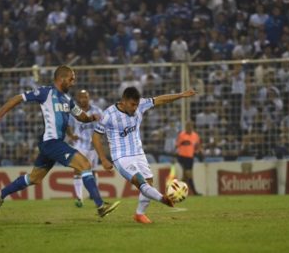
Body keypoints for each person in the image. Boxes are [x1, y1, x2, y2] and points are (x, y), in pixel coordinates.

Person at [0, 65, 120, 217]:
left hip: (50, 145)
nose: (73, 82)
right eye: (71, 79)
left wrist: (91, 118)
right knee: (84, 164)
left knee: (34, 178)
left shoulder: (68, 100)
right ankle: (100, 205)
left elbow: (80, 116)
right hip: (51, 142)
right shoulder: (46, 92)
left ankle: (0, 194)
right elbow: (19, 98)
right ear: (61, 78)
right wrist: (0, 113)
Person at [92, 86, 196, 224]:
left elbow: (161, 100)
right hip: (121, 157)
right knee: (140, 182)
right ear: (123, 101)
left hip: (138, 153)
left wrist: (181, 95)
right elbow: (95, 137)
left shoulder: (141, 104)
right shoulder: (108, 115)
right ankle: (162, 199)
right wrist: (103, 159)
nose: (135, 108)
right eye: (132, 104)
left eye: (136, 104)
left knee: (149, 182)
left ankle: (139, 214)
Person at [67, 89, 103, 207]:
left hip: (93, 146)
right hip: (80, 145)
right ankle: (79, 198)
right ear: (78, 99)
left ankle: (93, 195)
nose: (83, 99)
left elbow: (105, 124)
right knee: (78, 170)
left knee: (93, 171)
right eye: (81, 97)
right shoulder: (75, 111)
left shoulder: (97, 110)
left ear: (89, 98)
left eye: (85, 97)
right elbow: (68, 125)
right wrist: (71, 135)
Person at [175, 121, 203, 195]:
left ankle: (177, 191)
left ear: (192, 127)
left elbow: (197, 146)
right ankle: (194, 192)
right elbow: (177, 145)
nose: (189, 128)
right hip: (182, 157)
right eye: (187, 126)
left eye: (190, 126)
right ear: (185, 127)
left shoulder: (195, 136)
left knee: (185, 176)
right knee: (188, 174)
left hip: (190, 158)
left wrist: (199, 151)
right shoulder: (181, 135)